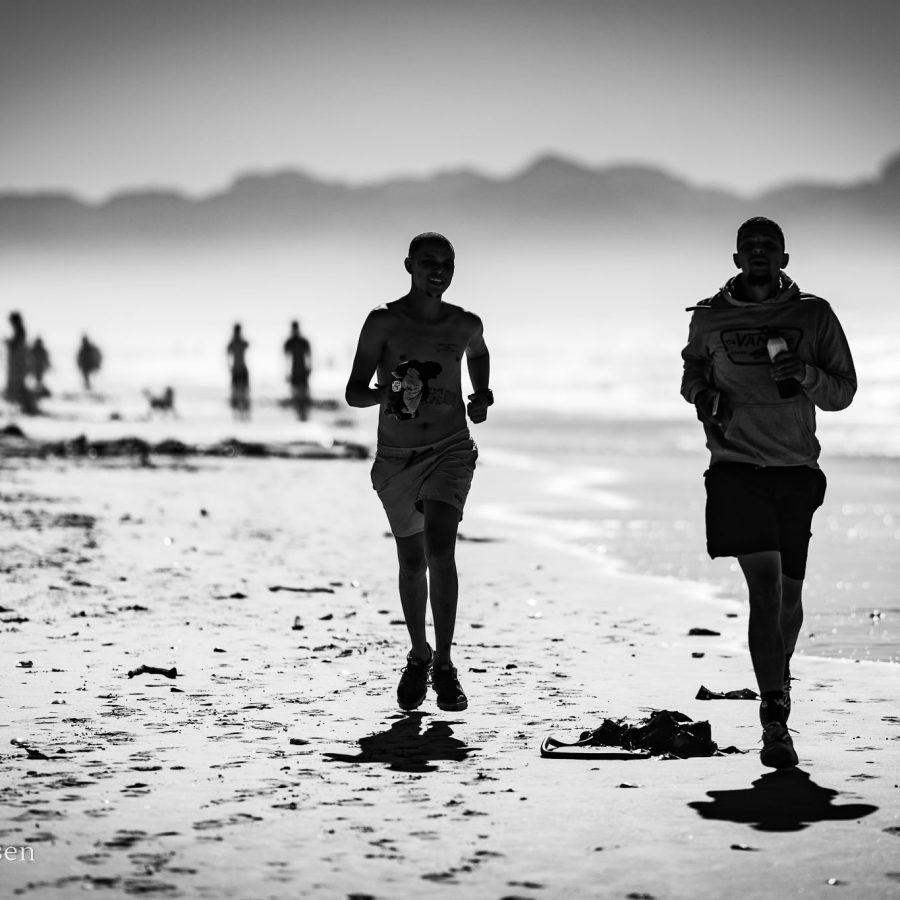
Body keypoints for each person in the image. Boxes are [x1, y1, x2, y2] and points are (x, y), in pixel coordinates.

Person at [681, 216, 857, 769]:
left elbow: (843, 393)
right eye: (749, 246)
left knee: (789, 599)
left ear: (784, 258)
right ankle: (774, 716)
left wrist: (803, 372)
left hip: (795, 470)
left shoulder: (814, 315)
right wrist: (704, 397)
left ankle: (776, 678)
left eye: (769, 246)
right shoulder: (709, 317)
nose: (759, 252)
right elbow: (691, 373)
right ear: (736, 259)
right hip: (735, 469)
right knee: (765, 589)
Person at [345, 232, 492, 712]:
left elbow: (478, 353)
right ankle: (419, 654)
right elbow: (354, 392)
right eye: (429, 261)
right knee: (412, 563)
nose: (438, 271)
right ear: (408, 265)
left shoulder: (465, 322)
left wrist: (481, 395)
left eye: (446, 263)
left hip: (450, 449)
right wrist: (388, 392)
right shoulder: (383, 321)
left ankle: (445, 665)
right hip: (397, 458)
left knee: (440, 549)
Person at [4, 312, 38, 414]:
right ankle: (27, 407)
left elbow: (17, 347)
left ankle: (29, 408)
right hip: (17, 365)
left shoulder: (20, 331)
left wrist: (9, 343)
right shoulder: (20, 331)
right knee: (17, 387)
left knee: (18, 387)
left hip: (18, 366)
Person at [284, 320, 312, 421]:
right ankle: (300, 416)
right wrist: (287, 372)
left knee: (303, 396)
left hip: (302, 373)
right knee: (297, 396)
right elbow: (286, 359)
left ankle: (304, 416)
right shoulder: (290, 342)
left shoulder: (302, 342)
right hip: (295, 373)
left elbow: (309, 356)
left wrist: (309, 368)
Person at [227, 323, 250, 420]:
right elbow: (228, 357)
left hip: (241, 369)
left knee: (243, 392)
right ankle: (238, 413)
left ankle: (244, 413)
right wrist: (230, 367)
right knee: (237, 392)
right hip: (237, 370)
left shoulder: (239, 343)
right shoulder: (233, 343)